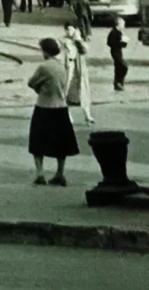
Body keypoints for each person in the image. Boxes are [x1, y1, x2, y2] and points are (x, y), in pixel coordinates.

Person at [27, 37, 79, 186]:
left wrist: (39, 87)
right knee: (61, 143)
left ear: (45, 51)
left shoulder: (44, 67)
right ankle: (60, 173)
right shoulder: (62, 66)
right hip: (61, 107)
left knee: (37, 142)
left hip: (44, 106)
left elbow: (31, 82)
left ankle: (40, 173)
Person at [61, 23, 94, 125]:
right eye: (66, 30)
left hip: (79, 69)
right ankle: (68, 115)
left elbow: (84, 51)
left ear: (76, 29)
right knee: (66, 91)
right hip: (68, 68)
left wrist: (78, 40)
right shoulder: (63, 40)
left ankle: (87, 115)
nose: (68, 32)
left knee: (83, 91)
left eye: (70, 29)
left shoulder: (79, 41)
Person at [106, 16, 129, 91]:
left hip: (118, 51)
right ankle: (118, 82)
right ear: (118, 24)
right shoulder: (114, 32)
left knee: (118, 67)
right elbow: (110, 42)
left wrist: (124, 42)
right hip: (115, 52)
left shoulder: (119, 32)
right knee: (123, 67)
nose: (124, 26)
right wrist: (122, 42)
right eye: (123, 24)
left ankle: (118, 83)